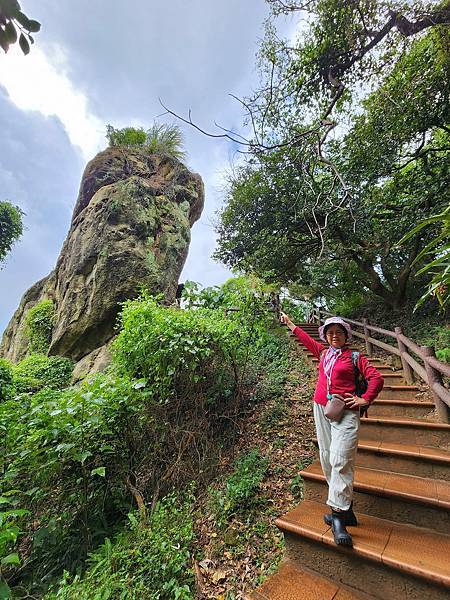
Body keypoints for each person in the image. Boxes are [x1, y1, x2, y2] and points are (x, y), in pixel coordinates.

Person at [280, 313, 384, 547]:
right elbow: (306, 341)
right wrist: (289, 324)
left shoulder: (355, 357)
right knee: (327, 457)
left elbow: (376, 378)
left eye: (338, 332)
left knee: (341, 458)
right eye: (330, 332)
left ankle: (337, 516)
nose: (334, 336)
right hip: (322, 407)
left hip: (346, 412)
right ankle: (346, 509)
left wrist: (364, 399)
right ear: (325, 336)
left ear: (346, 335)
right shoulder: (324, 353)